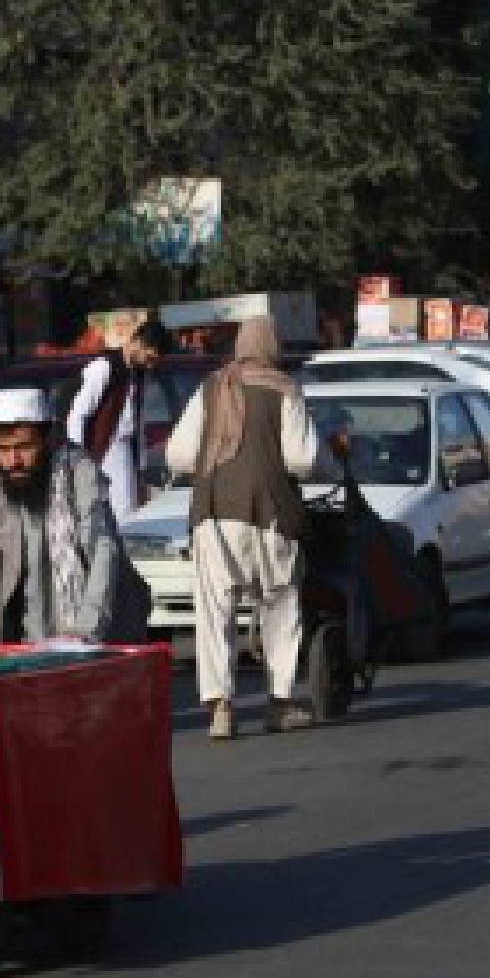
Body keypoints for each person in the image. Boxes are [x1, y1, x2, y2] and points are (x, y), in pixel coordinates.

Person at [165, 315, 324, 739]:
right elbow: (302, 460)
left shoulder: (211, 388)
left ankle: (221, 709)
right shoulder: (286, 389)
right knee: (280, 606)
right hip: (272, 513)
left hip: (214, 513)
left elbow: (178, 455)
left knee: (214, 612)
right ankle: (281, 702)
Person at [0, 387, 151, 645]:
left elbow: (102, 550)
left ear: (46, 440)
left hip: (108, 637)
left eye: (24, 447)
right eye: (3, 449)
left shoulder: (80, 475)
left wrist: (86, 633)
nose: (13, 460)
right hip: (33, 641)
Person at [65, 317, 172, 520]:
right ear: (138, 343)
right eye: (149, 358)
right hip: (103, 451)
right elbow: (77, 416)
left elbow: (138, 425)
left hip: (125, 452)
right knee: (115, 515)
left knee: (128, 514)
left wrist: (140, 469)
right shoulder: (104, 367)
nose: (150, 366)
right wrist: (77, 463)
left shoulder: (138, 374)